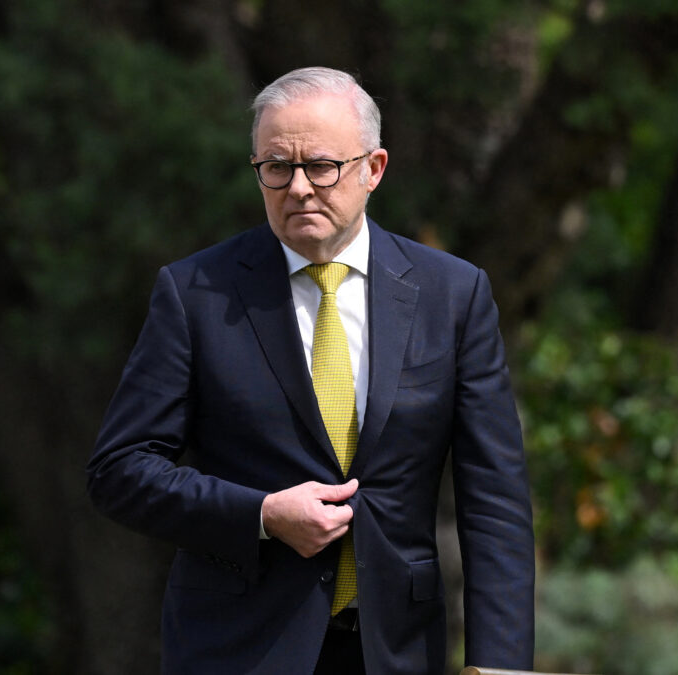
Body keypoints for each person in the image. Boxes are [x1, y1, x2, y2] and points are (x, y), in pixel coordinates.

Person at [87, 66, 534, 674]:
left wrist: (503, 669)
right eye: (276, 167)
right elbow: (120, 470)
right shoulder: (195, 293)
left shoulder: (453, 294)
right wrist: (261, 515)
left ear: (373, 169)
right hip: (238, 648)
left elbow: (495, 503)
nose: (298, 188)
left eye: (321, 166)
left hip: (395, 650)